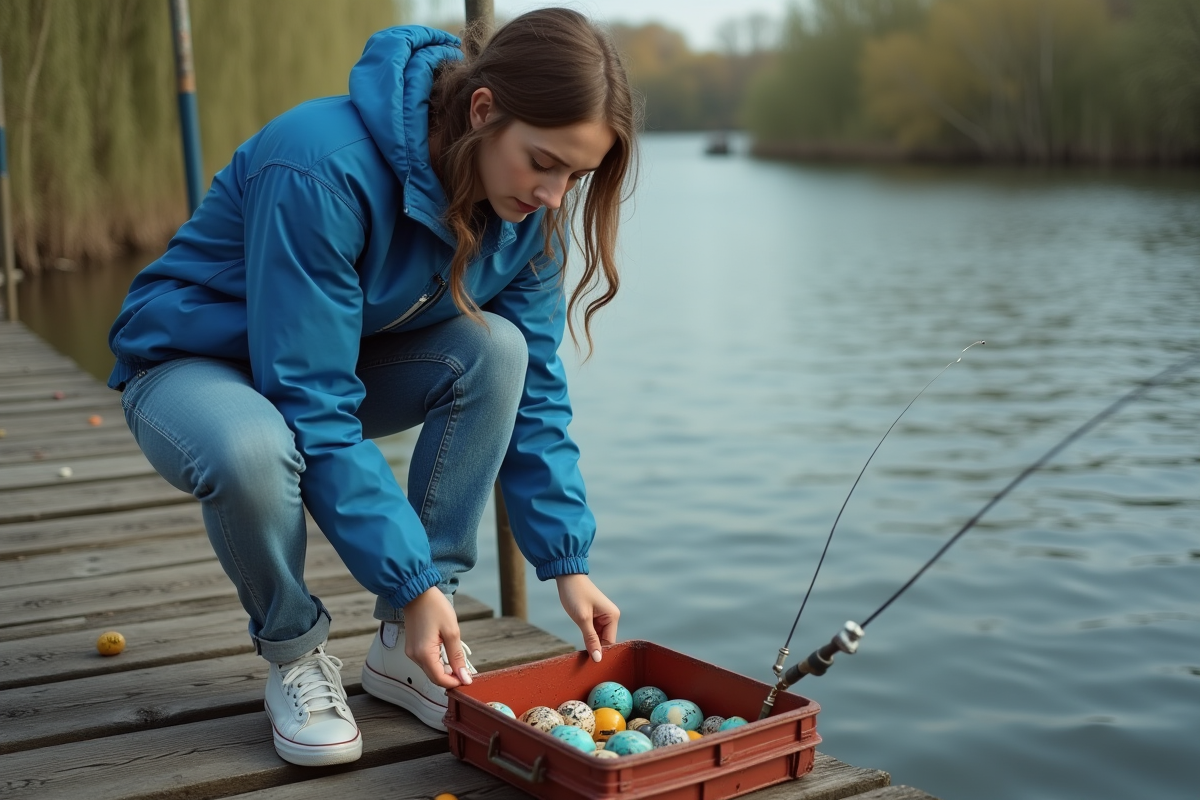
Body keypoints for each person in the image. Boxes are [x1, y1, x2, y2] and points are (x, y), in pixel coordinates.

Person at [107, 8, 636, 767]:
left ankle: (402, 638)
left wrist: (568, 560)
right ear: (483, 111)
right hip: (192, 365)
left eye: (575, 176)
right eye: (543, 162)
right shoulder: (321, 164)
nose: (555, 195)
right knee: (253, 447)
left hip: (325, 365)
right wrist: (408, 569)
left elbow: (539, 396)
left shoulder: (526, 216)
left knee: (500, 350)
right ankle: (295, 653)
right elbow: (311, 404)